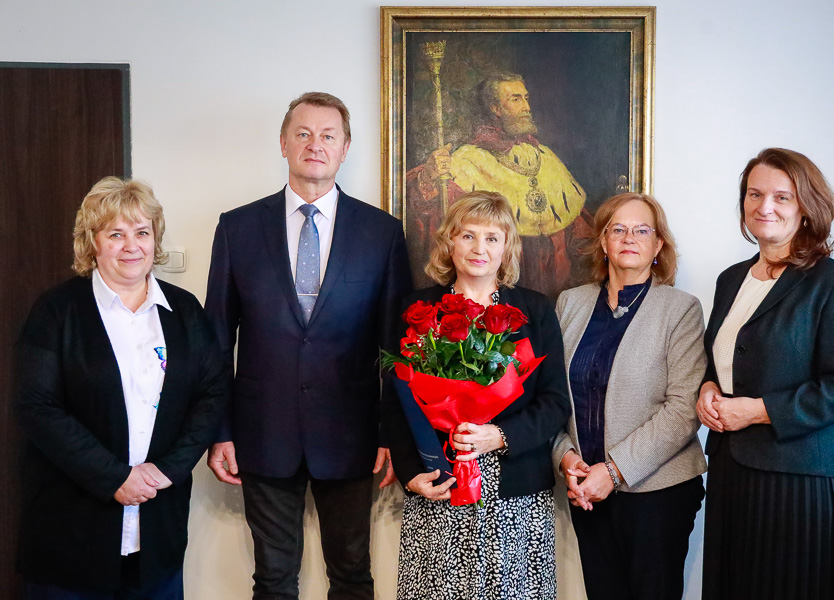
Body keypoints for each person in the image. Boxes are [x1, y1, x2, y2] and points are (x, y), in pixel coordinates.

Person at [204, 92, 412, 599]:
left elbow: (395, 346)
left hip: (352, 434)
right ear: (282, 143)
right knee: (272, 579)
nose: (314, 145)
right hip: (262, 431)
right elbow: (215, 337)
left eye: (327, 136)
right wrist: (220, 429)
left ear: (344, 149)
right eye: (302, 133)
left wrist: (390, 432)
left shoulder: (381, 233)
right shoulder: (237, 227)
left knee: (351, 575)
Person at [15, 176, 227, 599]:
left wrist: (167, 469)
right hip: (71, 532)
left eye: (142, 232)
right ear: (92, 242)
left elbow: (213, 392)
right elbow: (36, 407)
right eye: (116, 233)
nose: (132, 246)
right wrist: (115, 477)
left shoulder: (184, 311)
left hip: (158, 531)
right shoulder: (57, 311)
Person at [697, 148, 834, 600]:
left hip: (801, 478)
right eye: (754, 194)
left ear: (806, 208)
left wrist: (756, 411)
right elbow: (722, 358)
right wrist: (709, 389)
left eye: (782, 196)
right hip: (732, 470)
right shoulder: (730, 279)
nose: (765, 206)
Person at [385, 191, 571, 600]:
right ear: (449, 242)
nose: (479, 248)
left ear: (507, 247)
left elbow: (555, 402)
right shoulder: (417, 308)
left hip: (516, 495)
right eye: (468, 236)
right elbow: (395, 401)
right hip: (438, 489)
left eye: (492, 237)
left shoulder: (535, 311)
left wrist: (499, 436)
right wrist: (410, 471)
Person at [552, 192, 707, 599]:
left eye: (642, 230)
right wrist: (566, 458)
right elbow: (551, 395)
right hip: (585, 489)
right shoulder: (570, 303)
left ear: (658, 245)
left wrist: (614, 470)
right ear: (603, 241)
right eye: (617, 229)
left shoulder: (681, 309)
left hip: (656, 494)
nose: (629, 237)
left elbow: (683, 411)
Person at [406, 73, 593, 297]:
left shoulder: (545, 156)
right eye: (516, 99)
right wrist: (429, 177)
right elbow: (435, 212)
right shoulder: (468, 160)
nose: (526, 106)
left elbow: (576, 223)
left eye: (526, 98)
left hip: (552, 288)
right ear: (495, 108)